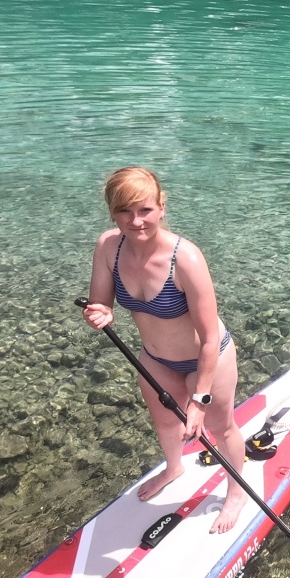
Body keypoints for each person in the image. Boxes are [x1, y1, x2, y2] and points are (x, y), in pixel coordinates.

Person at [82, 167, 248, 533]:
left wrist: (198, 401)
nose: (136, 221)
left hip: (208, 357)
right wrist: (101, 313)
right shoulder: (109, 246)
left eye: (144, 210)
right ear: (112, 212)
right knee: (165, 423)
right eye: (125, 211)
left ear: (161, 207)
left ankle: (236, 493)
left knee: (222, 429)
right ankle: (174, 468)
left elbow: (207, 337)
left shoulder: (185, 259)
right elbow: (101, 302)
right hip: (156, 359)